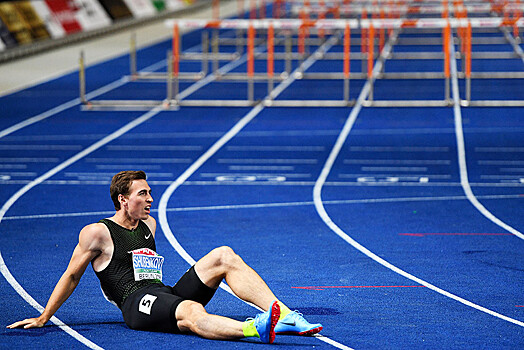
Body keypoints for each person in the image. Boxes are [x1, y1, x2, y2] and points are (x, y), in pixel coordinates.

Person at [7, 170, 322, 343]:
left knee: (223, 255)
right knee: (190, 312)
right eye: (142, 194)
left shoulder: (149, 225)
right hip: (135, 304)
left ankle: (287, 315)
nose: (150, 199)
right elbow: (72, 275)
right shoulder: (97, 233)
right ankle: (255, 329)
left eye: (149, 192)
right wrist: (45, 315)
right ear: (122, 199)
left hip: (162, 292)